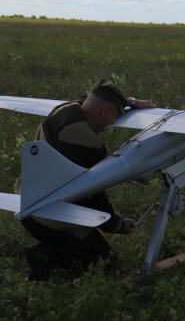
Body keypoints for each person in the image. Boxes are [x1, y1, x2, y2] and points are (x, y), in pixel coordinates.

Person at [17, 79, 156, 281]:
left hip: (26, 200)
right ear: (104, 112)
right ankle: (45, 255)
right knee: (106, 260)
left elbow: (89, 99)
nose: (113, 122)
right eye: (114, 116)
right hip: (51, 214)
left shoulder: (64, 110)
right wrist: (118, 225)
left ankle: (54, 248)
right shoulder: (87, 146)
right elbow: (93, 196)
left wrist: (130, 101)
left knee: (86, 247)